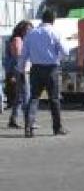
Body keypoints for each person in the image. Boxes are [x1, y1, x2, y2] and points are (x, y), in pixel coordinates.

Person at [19, 9, 69, 137]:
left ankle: (28, 128)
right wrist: (57, 58)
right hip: (51, 68)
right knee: (54, 99)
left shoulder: (31, 33)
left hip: (35, 68)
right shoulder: (55, 32)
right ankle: (57, 128)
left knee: (34, 97)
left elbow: (23, 54)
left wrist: (21, 69)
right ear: (53, 20)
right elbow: (65, 51)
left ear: (42, 19)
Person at [5, 20, 32, 128]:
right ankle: (28, 121)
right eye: (28, 29)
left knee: (19, 97)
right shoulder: (17, 40)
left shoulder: (21, 40)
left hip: (22, 70)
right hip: (21, 71)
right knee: (26, 96)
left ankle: (14, 119)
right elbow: (18, 57)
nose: (30, 31)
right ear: (22, 30)